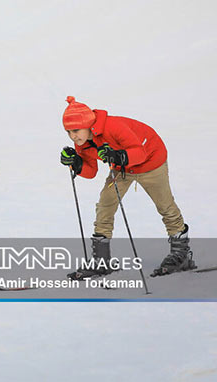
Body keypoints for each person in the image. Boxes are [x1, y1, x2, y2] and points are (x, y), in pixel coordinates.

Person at [59, 96, 193, 278]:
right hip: (122, 169)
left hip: (150, 162)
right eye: (68, 132)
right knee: (105, 205)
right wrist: (76, 163)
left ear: (88, 124)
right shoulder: (81, 142)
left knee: (165, 205)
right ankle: (101, 260)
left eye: (76, 130)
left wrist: (117, 156)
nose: (73, 136)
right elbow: (91, 172)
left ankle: (181, 253)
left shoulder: (113, 127)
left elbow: (140, 152)